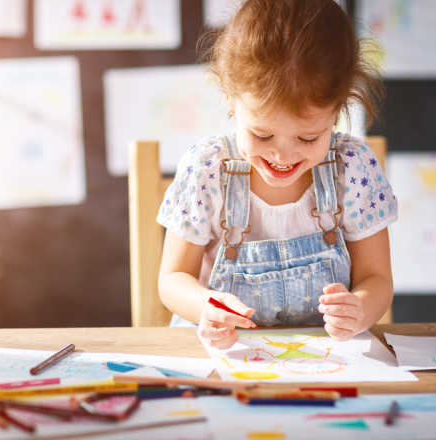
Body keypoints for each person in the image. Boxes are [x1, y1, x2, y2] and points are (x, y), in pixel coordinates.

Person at [156, 0, 394, 349]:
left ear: (338, 110)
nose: (283, 155)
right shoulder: (207, 168)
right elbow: (173, 279)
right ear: (230, 98)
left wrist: (359, 308)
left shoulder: (352, 167)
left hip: (323, 362)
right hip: (222, 355)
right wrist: (207, 307)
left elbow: (377, 279)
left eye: (308, 137)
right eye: (262, 135)